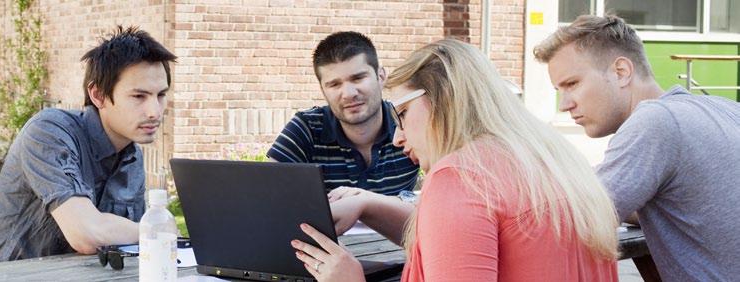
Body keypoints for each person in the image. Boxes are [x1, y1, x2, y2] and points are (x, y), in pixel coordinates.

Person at [289, 39, 620, 281]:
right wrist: (369, 203)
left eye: (402, 114)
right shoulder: (556, 159)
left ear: (443, 99)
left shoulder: (460, 178)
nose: (397, 137)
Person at [534, 15, 740, 281]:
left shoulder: (654, 122)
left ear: (621, 72)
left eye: (572, 84)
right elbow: (691, 205)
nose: (564, 104)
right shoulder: (724, 109)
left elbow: (576, 220)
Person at [0, 26, 176, 265]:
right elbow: (86, 234)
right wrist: (159, 231)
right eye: (139, 96)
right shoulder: (49, 132)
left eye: (160, 95)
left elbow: (132, 251)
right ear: (98, 95)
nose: (154, 112)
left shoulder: (133, 159)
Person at [267, 31, 420, 198]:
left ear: (381, 76)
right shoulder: (307, 128)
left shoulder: (408, 121)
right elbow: (266, 193)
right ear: (323, 90)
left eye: (358, 78)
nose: (348, 93)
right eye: (334, 84)